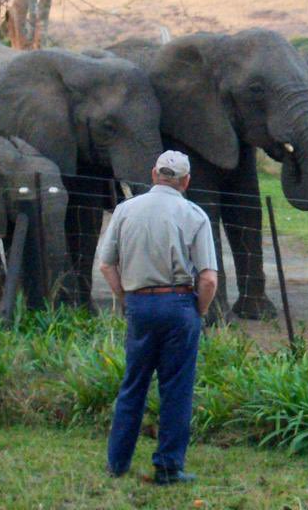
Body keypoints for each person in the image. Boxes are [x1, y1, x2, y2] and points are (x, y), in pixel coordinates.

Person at [96, 150, 218, 485]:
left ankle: (117, 462)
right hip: (179, 305)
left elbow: (106, 264)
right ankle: (167, 466)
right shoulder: (194, 214)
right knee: (176, 388)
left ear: (153, 174)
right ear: (186, 181)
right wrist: (200, 310)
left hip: (139, 303)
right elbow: (208, 278)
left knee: (133, 384)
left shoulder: (125, 210)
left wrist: (126, 298)